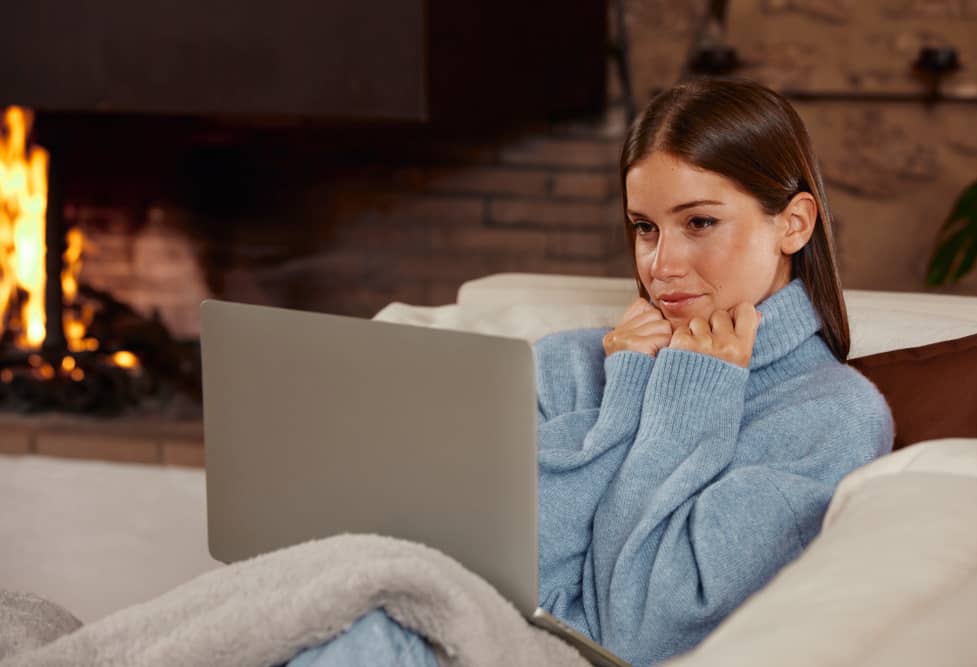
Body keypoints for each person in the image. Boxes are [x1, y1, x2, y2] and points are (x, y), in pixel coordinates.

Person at [286, 77, 894, 667]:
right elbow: (469, 564)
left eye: (700, 222)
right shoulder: (567, 364)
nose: (661, 264)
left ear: (794, 223)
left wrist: (686, 399)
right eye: (645, 228)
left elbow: (638, 634)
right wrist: (627, 393)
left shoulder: (832, 418)